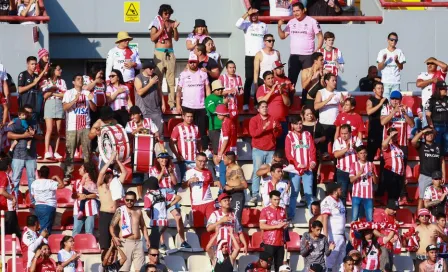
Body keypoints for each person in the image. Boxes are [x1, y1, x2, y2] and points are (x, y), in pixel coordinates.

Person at [148, 151, 190, 250]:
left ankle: (183, 241)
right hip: (160, 194)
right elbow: (154, 183)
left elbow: (175, 182)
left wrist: (171, 173)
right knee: (161, 219)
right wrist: (162, 172)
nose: (164, 160)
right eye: (162, 158)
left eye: (166, 158)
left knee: (178, 217)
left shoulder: (172, 168)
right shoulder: (153, 169)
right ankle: (162, 243)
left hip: (170, 193)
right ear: (157, 159)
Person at [277, 2, 323, 87]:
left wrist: (318, 49)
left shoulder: (312, 21)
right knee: (291, 82)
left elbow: (320, 36)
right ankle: (290, 99)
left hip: (308, 56)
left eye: (297, 11)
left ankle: (306, 100)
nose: (295, 13)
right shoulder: (291, 22)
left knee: (309, 81)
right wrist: (279, 27)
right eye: (294, 11)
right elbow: (282, 36)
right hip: (294, 56)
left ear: (303, 10)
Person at [62, 74, 97, 182]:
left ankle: (89, 174)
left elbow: (94, 109)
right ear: (73, 82)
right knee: (70, 152)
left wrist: (90, 100)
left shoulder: (88, 93)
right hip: (72, 126)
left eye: (81, 79)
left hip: (85, 126)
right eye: (78, 79)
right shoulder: (69, 93)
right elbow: (65, 108)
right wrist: (74, 100)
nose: (80, 81)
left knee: (87, 152)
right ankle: (68, 174)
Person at [249, 101, 282, 204]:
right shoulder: (254, 120)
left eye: (266, 107)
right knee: (257, 172)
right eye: (262, 107)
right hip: (258, 149)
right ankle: (255, 195)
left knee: (272, 172)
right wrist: (264, 127)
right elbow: (253, 134)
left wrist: (276, 129)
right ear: (258, 109)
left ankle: (272, 194)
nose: (265, 108)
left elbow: (278, 134)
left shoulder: (273, 119)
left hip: (271, 149)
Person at [235, 7, 268, 111]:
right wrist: (246, 13)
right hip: (249, 55)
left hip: (261, 55)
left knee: (259, 79)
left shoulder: (263, 25)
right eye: (251, 14)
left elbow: (266, 40)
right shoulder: (246, 24)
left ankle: (257, 102)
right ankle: (245, 103)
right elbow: (237, 24)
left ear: (258, 14)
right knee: (249, 79)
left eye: (255, 14)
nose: (253, 16)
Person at [176, 53, 210, 150]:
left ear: (197, 62)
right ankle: (189, 149)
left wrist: (208, 103)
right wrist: (178, 105)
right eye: (191, 62)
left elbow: (207, 88)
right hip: (187, 106)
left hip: (201, 106)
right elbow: (178, 90)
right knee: (188, 129)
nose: (192, 64)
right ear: (188, 62)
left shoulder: (203, 73)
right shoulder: (183, 74)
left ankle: (203, 151)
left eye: (194, 62)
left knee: (202, 130)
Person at [148, 4, 179, 112]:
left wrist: (174, 29)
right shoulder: (156, 22)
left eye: (169, 13)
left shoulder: (171, 22)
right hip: (159, 53)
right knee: (158, 79)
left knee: (171, 80)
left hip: (170, 52)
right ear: (161, 13)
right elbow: (152, 38)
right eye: (166, 13)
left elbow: (176, 38)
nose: (167, 15)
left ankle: (172, 104)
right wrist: (161, 30)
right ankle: (158, 103)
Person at [285, 115, 316, 219]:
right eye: (296, 124)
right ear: (292, 125)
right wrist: (297, 164)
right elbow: (288, 154)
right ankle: (291, 215)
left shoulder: (307, 134)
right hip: (295, 170)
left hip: (307, 169)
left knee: (308, 193)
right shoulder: (289, 136)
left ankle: (312, 215)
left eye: (300, 123)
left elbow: (312, 150)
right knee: (294, 193)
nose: (299, 126)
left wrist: (312, 161)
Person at [109, 191, 150, 272]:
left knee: (140, 269)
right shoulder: (120, 210)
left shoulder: (138, 211)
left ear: (135, 200)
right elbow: (112, 226)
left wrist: (147, 239)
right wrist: (114, 237)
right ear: (124, 200)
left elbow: (143, 226)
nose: (129, 202)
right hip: (125, 242)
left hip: (138, 242)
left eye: (131, 200)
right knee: (124, 269)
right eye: (127, 200)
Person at [143, 176, 186, 249]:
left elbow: (148, 211)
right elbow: (178, 197)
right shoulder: (163, 193)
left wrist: (151, 217)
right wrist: (168, 206)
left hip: (156, 222)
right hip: (165, 222)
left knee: (153, 244)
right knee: (154, 241)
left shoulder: (148, 196)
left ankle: (157, 257)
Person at [98, 152, 128, 251]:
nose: (109, 175)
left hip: (115, 214)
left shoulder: (117, 183)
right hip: (105, 214)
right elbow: (101, 172)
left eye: (110, 173)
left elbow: (125, 173)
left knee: (115, 241)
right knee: (104, 242)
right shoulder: (101, 186)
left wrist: (117, 160)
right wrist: (110, 160)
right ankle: (104, 262)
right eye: (108, 173)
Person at [412, 127, 445, 210]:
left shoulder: (438, 146)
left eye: (431, 133)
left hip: (437, 177)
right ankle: (420, 218)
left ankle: (435, 217)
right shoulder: (421, 145)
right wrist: (422, 131)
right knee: (422, 198)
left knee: (437, 197)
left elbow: (442, 161)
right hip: (425, 176)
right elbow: (413, 141)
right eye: (427, 134)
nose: (429, 135)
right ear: (424, 136)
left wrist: (444, 175)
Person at [7, 104, 36, 199]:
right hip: (17, 155)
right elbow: (9, 135)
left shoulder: (35, 123)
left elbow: (41, 136)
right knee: (15, 180)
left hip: (31, 156)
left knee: (32, 180)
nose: (28, 115)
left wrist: (33, 135)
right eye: (27, 113)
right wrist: (24, 136)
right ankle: (14, 201)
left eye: (30, 113)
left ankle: (33, 201)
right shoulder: (16, 122)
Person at [206, 193, 248, 257]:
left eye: (228, 200)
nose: (227, 202)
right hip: (217, 248)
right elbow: (208, 229)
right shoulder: (215, 214)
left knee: (229, 265)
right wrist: (221, 221)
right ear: (220, 203)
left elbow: (239, 232)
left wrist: (245, 244)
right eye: (225, 201)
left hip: (230, 248)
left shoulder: (233, 216)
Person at [256, 70, 290, 148]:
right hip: (267, 122)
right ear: (264, 81)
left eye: (272, 78)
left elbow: (288, 103)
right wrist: (272, 90)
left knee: (282, 146)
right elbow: (261, 102)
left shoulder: (280, 87)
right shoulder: (261, 88)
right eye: (268, 78)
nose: (271, 80)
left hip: (281, 121)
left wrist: (281, 92)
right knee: (269, 145)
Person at [105, 31, 142, 104]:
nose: (127, 41)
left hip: (130, 82)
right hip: (116, 83)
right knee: (116, 102)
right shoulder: (112, 51)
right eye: (125, 40)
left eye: (128, 39)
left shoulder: (133, 50)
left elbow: (140, 65)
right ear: (120, 41)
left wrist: (133, 64)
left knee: (130, 103)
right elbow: (108, 67)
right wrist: (108, 81)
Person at [183, 152, 216, 227]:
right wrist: (190, 181)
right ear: (195, 160)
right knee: (198, 227)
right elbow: (182, 186)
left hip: (209, 202)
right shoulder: (189, 172)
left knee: (213, 225)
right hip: (197, 203)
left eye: (204, 161)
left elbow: (211, 184)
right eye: (200, 161)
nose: (202, 163)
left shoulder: (208, 172)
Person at [333, 124, 363, 206]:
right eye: (342, 133)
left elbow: (363, 154)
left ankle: (358, 217)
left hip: (355, 171)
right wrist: (346, 149)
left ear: (350, 133)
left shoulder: (357, 140)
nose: (343, 135)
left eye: (345, 133)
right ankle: (343, 215)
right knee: (342, 194)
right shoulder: (338, 141)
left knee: (357, 194)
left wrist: (355, 148)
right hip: (342, 171)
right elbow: (336, 155)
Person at [40, 64, 66, 160]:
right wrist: (53, 89)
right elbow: (45, 95)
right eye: (58, 69)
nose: (60, 71)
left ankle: (56, 152)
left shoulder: (62, 81)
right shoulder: (46, 81)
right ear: (53, 70)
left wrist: (53, 92)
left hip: (59, 104)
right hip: (49, 104)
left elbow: (64, 94)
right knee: (49, 129)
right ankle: (47, 151)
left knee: (58, 130)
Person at [260, 190, 288, 272]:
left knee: (279, 266)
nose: (277, 201)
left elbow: (284, 224)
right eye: (275, 199)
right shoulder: (265, 210)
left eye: (278, 199)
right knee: (267, 266)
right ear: (270, 199)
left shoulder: (283, 210)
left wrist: (285, 226)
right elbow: (262, 225)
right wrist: (277, 226)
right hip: (269, 242)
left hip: (280, 242)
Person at [134, 60, 165, 134]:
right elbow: (140, 92)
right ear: (145, 68)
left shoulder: (155, 76)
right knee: (146, 134)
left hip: (156, 110)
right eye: (150, 68)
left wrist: (163, 103)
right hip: (144, 111)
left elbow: (159, 90)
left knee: (159, 133)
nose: (152, 70)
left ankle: (159, 145)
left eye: (153, 68)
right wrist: (150, 83)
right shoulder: (139, 77)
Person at [31, 166, 64, 233]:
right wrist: (56, 177)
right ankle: (43, 242)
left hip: (38, 206)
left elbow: (33, 195)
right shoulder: (50, 182)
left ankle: (41, 241)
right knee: (45, 230)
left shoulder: (34, 183)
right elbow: (62, 185)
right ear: (48, 174)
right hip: (49, 206)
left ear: (39, 173)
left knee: (40, 227)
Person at [321, 183, 346, 272]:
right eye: (340, 189)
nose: (341, 190)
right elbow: (324, 218)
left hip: (341, 235)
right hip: (333, 235)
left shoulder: (340, 201)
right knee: (329, 263)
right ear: (335, 191)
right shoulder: (327, 200)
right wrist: (325, 236)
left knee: (340, 263)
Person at [314, 73, 344, 148]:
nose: (335, 82)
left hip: (335, 124)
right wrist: (327, 100)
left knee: (336, 145)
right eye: (333, 80)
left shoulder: (339, 93)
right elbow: (316, 107)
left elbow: (344, 108)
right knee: (323, 147)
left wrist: (343, 102)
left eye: (335, 80)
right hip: (324, 123)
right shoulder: (321, 92)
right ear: (327, 81)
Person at [169, 109, 200, 181]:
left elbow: (198, 142)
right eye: (188, 116)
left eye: (191, 117)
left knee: (195, 181)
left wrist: (200, 153)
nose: (190, 118)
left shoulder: (196, 128)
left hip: (194, 160)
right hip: (183, 160)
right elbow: (171, 143)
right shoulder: (178, 128)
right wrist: (177, 155)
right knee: (184, 181)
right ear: (183, 117)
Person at [349, 146, 378, 222]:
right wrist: (359, 174)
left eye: (364, 153)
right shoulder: (354, 164)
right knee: (354, 218)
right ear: (358, 155)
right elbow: (351, 180)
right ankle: (353, 233)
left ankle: (368, 234)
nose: (363, 155)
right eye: (361, 153)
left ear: (367, 154)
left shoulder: (371, 165)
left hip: (368, 196)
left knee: (370, 219)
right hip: (356, 195)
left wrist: (373, 174)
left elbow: (376, 182)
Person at [18, 56, 48, 128]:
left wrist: (43, 87)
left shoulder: (36, 76)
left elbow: (37, 89)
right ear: (27, 64)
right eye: (32, 64)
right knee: (25, 128)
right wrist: (33, 84)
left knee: (34, 129)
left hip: (34, 108)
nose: (34, 66)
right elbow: (20, 90)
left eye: (35, 64)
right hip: (25, 108)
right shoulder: (23, 74)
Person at [302, 106, 326, 193]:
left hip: (315, 151)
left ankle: (314, 194)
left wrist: (318, 139)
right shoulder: (301, 125)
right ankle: (304, 194)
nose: (310, 116)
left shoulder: (317, 125)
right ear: (303, 115)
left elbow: (324, 137)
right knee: (303, 173)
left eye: (311, 114)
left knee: (314, 173)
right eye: (307, 114)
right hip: (303, 152)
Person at [417, 57, 447, 121]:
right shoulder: (422, 74)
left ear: (436, 65)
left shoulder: (440, 73)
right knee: (427, 127)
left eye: (432, 63)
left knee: (438, 125)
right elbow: (418, 84)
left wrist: (434, 60)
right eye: (428, 63)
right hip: (426, 105)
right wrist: (431, 80)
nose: (429, 65)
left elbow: (445, 66)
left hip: (438, 106)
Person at [72, 163, 99, 237]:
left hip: (90, 208)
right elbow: (73, 195)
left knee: (89, 231)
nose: (79, 169)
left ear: (86, 170)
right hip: (77, 209)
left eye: (81, 168)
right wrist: (78, 195)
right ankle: (73, 247)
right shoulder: (77, 182)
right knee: (76, 230)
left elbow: (97, 195)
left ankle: (89, 247)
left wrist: (86, 196)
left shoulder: (93, 181)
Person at [222, 153, 249, 227]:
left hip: (237, 195)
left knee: (236, 218)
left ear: (229, 160)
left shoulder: (237, 169)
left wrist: (232, 188)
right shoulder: (227, 168)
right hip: (229, 195)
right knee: (228, 218)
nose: (223, 160)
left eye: (225, 158)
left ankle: (238, 236)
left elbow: (245, 185)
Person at [377, 32, 406, 99]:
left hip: (395, 82)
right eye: (392, 39)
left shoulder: (399, 52)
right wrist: (384, 60)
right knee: (385, 102)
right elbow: (379, 67)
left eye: (396, 40)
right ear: (388, 40)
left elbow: (401, 67)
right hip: (385, 82)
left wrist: (397, 61)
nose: (394, 41)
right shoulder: (382, 52)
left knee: (395, 102)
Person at [215, 105, 238, 190]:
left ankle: (222, 191)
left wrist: (220, 154)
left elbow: (225, 140)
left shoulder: (225, 123)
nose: (217, 116)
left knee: (222, 173)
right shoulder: (231, 122)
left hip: (226, 152)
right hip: (231, 151)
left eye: (218, 114)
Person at [381, 127, 406, 202]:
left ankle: (394, 212)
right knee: (391, 195)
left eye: (396, 135)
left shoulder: (398, 147)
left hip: (399, 174)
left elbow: (402, 162)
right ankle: (390, 211)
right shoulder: (388, 146)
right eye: (394, 135)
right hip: (391, 173)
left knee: (396, 196)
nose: (395, 137)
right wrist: (390, 136)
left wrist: (404, 177)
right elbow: (384, 144)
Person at [366, 82, 387, 162]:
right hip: (373, 132)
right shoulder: (371, 100)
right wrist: (380, 103)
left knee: (384, 157)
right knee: (370, 157)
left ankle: (382, 174)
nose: (381, 90)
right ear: (374, 90)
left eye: (382, 88)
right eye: (378, 88)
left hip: (383, 131)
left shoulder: (386, 100)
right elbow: (369, 112)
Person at [205, 80, 225, 163]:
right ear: (213, 90)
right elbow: (213, 110)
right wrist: (223, 104)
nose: (220, 90)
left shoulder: (223, 97)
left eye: (221, 89)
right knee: (216, 151)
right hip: (215, 128)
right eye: (218, 89)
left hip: (224, 128)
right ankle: (217, 169)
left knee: (224, 151)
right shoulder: (210, 98)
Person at [0, 153, 20, 238]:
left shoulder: (3, 175)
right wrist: (13, 198)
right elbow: (1, 191)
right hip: (7, 207)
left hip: (6, 207)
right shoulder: (4, 176)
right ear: (8, 166)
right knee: (10, 232)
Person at [426, 81, 448, 155]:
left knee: (446, 150)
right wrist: (432, 128)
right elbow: (428, 116)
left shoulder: (447, 99)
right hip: (436, 127)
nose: (445, 90)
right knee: (437, 150)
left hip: (446, 127)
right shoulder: (431, 101)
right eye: (443, 88)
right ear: (438, 90)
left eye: (446, 88)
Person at [219, 60, 243, 126]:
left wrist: (240, 92)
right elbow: (218, 92)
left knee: (233, 126)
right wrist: (229, 91)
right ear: (226, 69)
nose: (233, 69)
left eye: (234, 67)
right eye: (230, 67)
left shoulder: (238, 78)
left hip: (235, 106)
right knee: (226, 125)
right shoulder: (222, 78)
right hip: (225, 105)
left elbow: (240, 91)